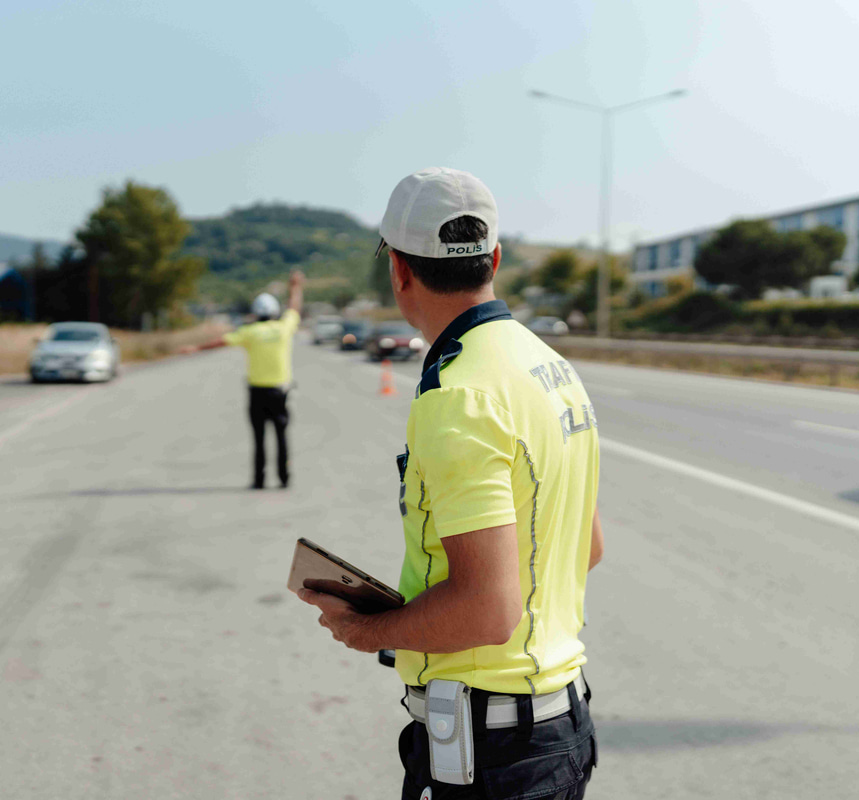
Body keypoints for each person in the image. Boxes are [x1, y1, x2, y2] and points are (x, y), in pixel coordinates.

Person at [298, 168, 604, 798]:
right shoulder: (549, 365)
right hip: (557, 728)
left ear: (399, 271)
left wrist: (369, 632)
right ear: (493, 258)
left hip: (492, 752)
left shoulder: (458, 393)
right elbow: (587, 546)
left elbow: (487, 608)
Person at [186, 269, 304, 489]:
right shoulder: (283, 329)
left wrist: (196, 347)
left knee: (259, 438)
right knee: (281, 436)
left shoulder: (249, 332)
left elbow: (222, 341)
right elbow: (294, 308)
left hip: (257, 392)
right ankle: (284, 477)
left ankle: (259, 480)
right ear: (274, 311)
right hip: (280, 392)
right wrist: (295, 287)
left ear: (256, 312)